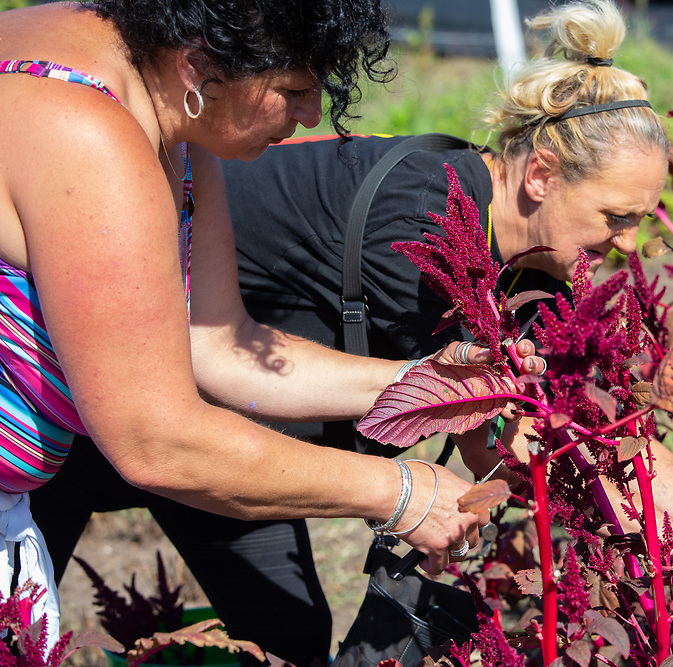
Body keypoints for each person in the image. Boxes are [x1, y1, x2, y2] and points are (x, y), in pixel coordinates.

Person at [27, 0, 673, 662]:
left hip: (188, 397)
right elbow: (515, 433)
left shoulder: (525, 266)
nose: (631, 244)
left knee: (286, 632)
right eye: (618, 216)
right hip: (119, 407)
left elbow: (581, 416)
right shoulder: (425, 235)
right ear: (539, 175)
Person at [0, 0, 548, 659]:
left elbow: (220, 342)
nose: (312, 116)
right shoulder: (89, 135)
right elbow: (154, 438)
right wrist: (397, 491)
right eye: (292, 90)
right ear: (199, 64)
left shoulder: (171, 122)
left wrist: (425, 381)